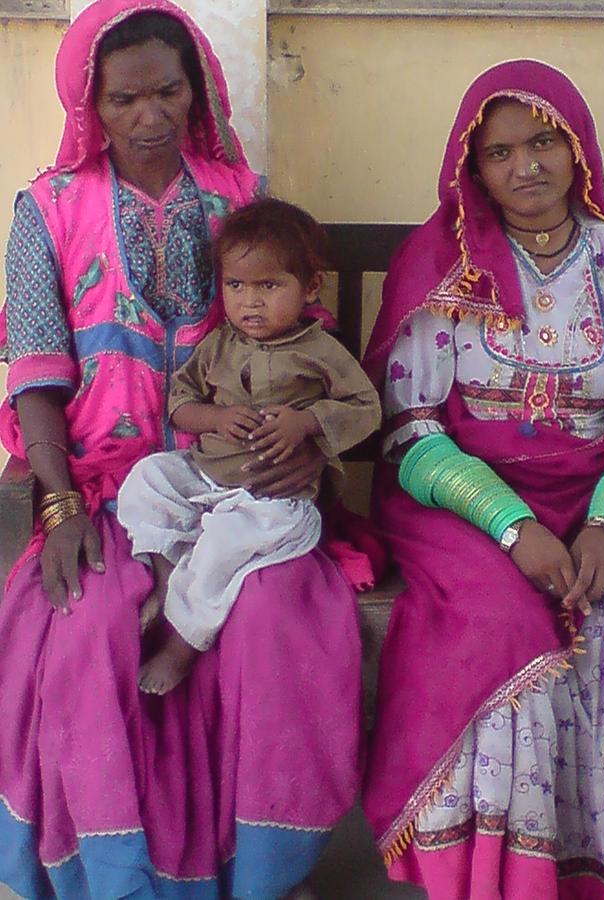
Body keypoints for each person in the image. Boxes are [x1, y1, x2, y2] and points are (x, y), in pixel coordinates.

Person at [0, 3, 363, 897]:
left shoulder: (240, 194)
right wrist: (59, 505)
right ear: (92, 103)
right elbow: (37, 370)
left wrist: (309, 452)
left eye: (168, 91)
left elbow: (300, 352)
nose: (149, 116)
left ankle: (253, 873)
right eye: (125, 99)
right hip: (110, 482)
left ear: (197, 91)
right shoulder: (47, 208)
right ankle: (118, 875)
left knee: (276, 622)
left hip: (244, 482)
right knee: (88, 628)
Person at [361, 59, 604, 899]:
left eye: (543, 141)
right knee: (499, 631)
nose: (525, 166)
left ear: (577, 148)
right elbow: (410, 430)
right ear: (474, 168)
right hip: (460, 503)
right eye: (499, 152)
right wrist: (510, 526)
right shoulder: (437, 266)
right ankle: (506, 882)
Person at [118, 198, 381, 695]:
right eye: (236, 286)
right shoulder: (220, 342)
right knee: (147, 479)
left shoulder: (321, 352)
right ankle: (166, 571)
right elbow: (179, 400)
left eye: (269, 286)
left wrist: (307, 423)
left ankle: (181, 645)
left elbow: (366, 410)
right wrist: (215, 417)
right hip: (206, 475)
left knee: (224, 545)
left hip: (271, 499)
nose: (250, 302)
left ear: (310, 287)